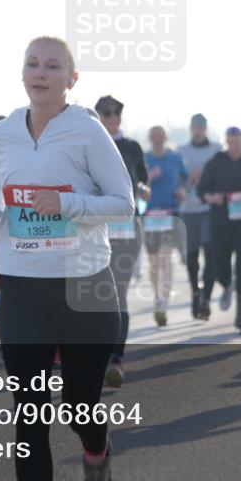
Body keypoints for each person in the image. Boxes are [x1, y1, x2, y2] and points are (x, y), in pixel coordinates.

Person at [0, 35, 131, 481]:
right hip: (21, 289)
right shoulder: (3, 133)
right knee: (30, 413)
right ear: (23, 73)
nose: (40, 73)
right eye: (32, 64)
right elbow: (1, 194)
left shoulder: (87, 130)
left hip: (85, 289)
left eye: (52, 67)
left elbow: (124, 205)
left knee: (81, 406)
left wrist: (68, 204)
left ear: (71, 80)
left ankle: (96, 456)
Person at [95, 95, 148, 389]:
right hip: (95, 230)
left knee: (118, 293)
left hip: (126, 229)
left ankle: (115, 358)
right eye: (107, 112)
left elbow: (142, 177)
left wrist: (143, 188)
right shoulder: (88, 144)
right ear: (98, 115)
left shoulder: (131, 146)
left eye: (117, 113)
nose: (113, 117)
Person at [197, 126, 241, 334]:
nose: (234, 145)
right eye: (231, 142)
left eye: (238, 141)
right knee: (220, 267)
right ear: (226, 142)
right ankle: (226, 285)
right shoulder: (216, 162)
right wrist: (211, 197)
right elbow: (201, 189)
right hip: (221, 222)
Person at [176, 114, 222, 319]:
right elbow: (176, 183)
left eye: (201, 126)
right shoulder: (181, 151)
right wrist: (188, 183)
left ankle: (206, 298)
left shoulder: (216, 150)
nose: (198, 130)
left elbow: (222, 178)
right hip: (188, 209)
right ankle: (196, 292)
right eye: (195, 126)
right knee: (192, 257)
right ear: (190, 128)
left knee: (210, 253)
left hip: (209, 209)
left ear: (205, 128)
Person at [143, 125, 188, 326]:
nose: (158, 139)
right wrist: (148, 178)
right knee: (153, 262)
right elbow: (134, 183)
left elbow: (185, 180)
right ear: (149, 139)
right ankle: (157, 297)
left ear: (166, 137)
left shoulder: (175, 158)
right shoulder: (144, 159)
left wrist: (182, 191)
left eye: (161, 135)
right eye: (154, 136)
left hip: (170, 213)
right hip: (150, 215)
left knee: (166, 258)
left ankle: (163, 304)